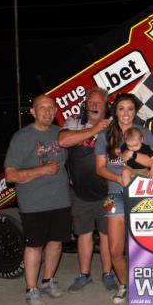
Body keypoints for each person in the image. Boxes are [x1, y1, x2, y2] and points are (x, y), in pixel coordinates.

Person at [4, 95, 71, 305]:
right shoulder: (22, 137)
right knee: (34, 246)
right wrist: (42, 170)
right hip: (33, 202)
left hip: (60, 199)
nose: (47, 112)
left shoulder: (60, 133)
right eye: (42, 108)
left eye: (51, 108)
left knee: (56, 243)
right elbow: (10, 176)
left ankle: (48, 281)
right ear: (33, 112)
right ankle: (31, 290)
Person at [95, 93, 153, 303]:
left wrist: (132, 156)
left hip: (141, 194)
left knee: (144, 246)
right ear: (115, 111)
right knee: (115, 249)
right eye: (121, 108)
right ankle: (123, 285)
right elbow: (100, 168)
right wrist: (118, 179)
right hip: (115, 193)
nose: (126, 113)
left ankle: (145, 286)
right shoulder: (105, 136)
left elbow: (152, 162)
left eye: (130, 109)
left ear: (135, 112)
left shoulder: (145, 133)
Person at [58, 87, 118, 293]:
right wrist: (94, 130)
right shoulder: (75, 122)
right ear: (84, 104)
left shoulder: (114, 124)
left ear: (106, 105)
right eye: (90, 102)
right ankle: (84, 275)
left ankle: (108, 274)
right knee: (83, 234)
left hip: (108, 193)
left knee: (107, 235)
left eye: (98, 102)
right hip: (80, 193)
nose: (94, 105)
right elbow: (63, 140)